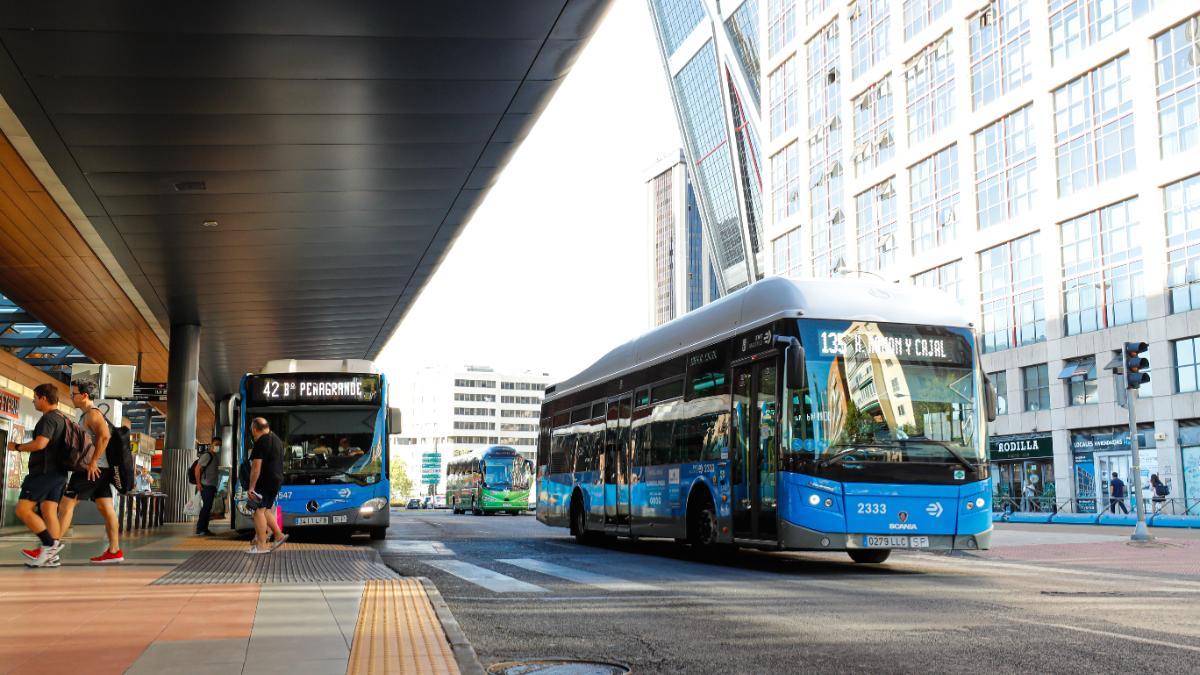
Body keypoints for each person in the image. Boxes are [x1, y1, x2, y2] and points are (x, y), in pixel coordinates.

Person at [57, 380, 123, 563]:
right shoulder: (86, 414)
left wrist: (93, 462)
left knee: (65, 506)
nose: (71, 397)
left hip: (91, 470)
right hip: (102, 470)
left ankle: (50, 550)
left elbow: (105, 436)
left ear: (85, 395)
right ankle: (114, 550)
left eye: (74, 394)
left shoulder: (92, 415)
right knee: (106, 507)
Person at [7, 383, 69, 568]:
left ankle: (49, 546)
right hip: (59, 473)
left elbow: (40, 444)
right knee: (49, 511)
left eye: (35, 397)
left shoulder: (48, 419)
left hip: (43, 472)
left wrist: (17, 447)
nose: (33, 400)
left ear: (43, 397)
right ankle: (52, 556)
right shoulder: (63, 418)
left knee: (22, 510)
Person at [247, 417, 287, 554]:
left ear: (254, 429)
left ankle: (261, 546)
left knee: (258, 511)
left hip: (264, 480)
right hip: (276, 480)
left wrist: (251, 487)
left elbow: (256, 467)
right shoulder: (276, 439)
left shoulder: (261, 441)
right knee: (266, 510)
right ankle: (278, 535)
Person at [194, 436, 221, 536]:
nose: (218, 446)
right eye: (216, 444)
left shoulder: (215, 457)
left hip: (212, 486)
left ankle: (204, 529)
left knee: (208, 507)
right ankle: (200, 529)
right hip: (206, 485)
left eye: (219, 445)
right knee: (206, 507)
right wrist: (199, 483)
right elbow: (197, 469)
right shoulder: (207, 455)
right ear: (211, 444)